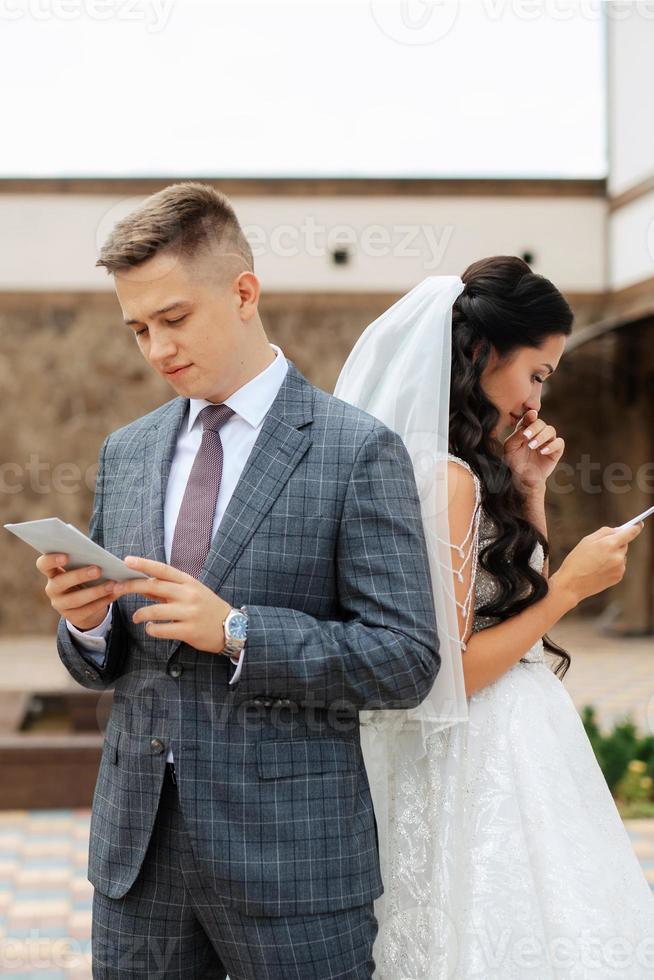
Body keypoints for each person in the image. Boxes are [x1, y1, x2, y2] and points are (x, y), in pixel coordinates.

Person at [35, 182, 443, 979]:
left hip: (293, 864)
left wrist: (237, 631)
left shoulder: (355, 450)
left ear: (244, 293)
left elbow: (406, 658)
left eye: (175, 319)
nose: (156, 349)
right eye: (139, 329)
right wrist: (85, 622)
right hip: (137, 860)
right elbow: (104, 660)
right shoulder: (128, 450)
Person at [333, 257, 654, 980]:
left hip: (484, 738)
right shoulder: (446, 479)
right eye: (537, 374)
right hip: (474, 752)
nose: (540, 398)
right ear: (481, 355)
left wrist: (530, 489)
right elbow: (450, 672)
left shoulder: (456, 469)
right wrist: (572, 587)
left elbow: (507, 602)